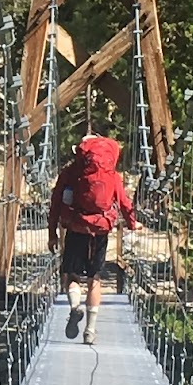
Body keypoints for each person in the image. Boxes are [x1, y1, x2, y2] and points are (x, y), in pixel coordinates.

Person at [47, 130, 135, 344]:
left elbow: (56, 204)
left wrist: (52, 235)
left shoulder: (69, 173)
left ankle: (75, 307)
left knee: (72, 276)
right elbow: (124, 203)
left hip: (76, 228)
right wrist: (133, 223)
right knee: (94, 279)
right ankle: (90, 331)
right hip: (100, 231)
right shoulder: (112, 175)